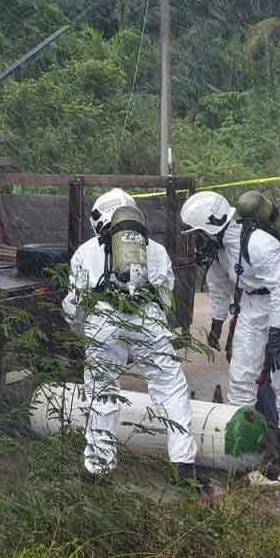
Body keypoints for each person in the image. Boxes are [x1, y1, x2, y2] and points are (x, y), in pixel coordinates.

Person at [62, 188, 200, 484]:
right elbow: (165, 297)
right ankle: (183, 465)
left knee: (101, 392)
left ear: (99, 220)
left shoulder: (86, 252)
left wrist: (80, 330)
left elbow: (76, 303)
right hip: (147, 319)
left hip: (103, 321)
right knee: (170, 388)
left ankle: (99, 468)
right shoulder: (156, 251)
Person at [180, 191, 280, 473]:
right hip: (252, 304)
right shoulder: (219, 250)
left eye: (198, 233)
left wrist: (277, 333)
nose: (197, 241)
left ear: (212, 226)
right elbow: (217, 286)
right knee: (241, 376)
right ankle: (244, 447)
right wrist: (217, 323)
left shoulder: (258, 243)